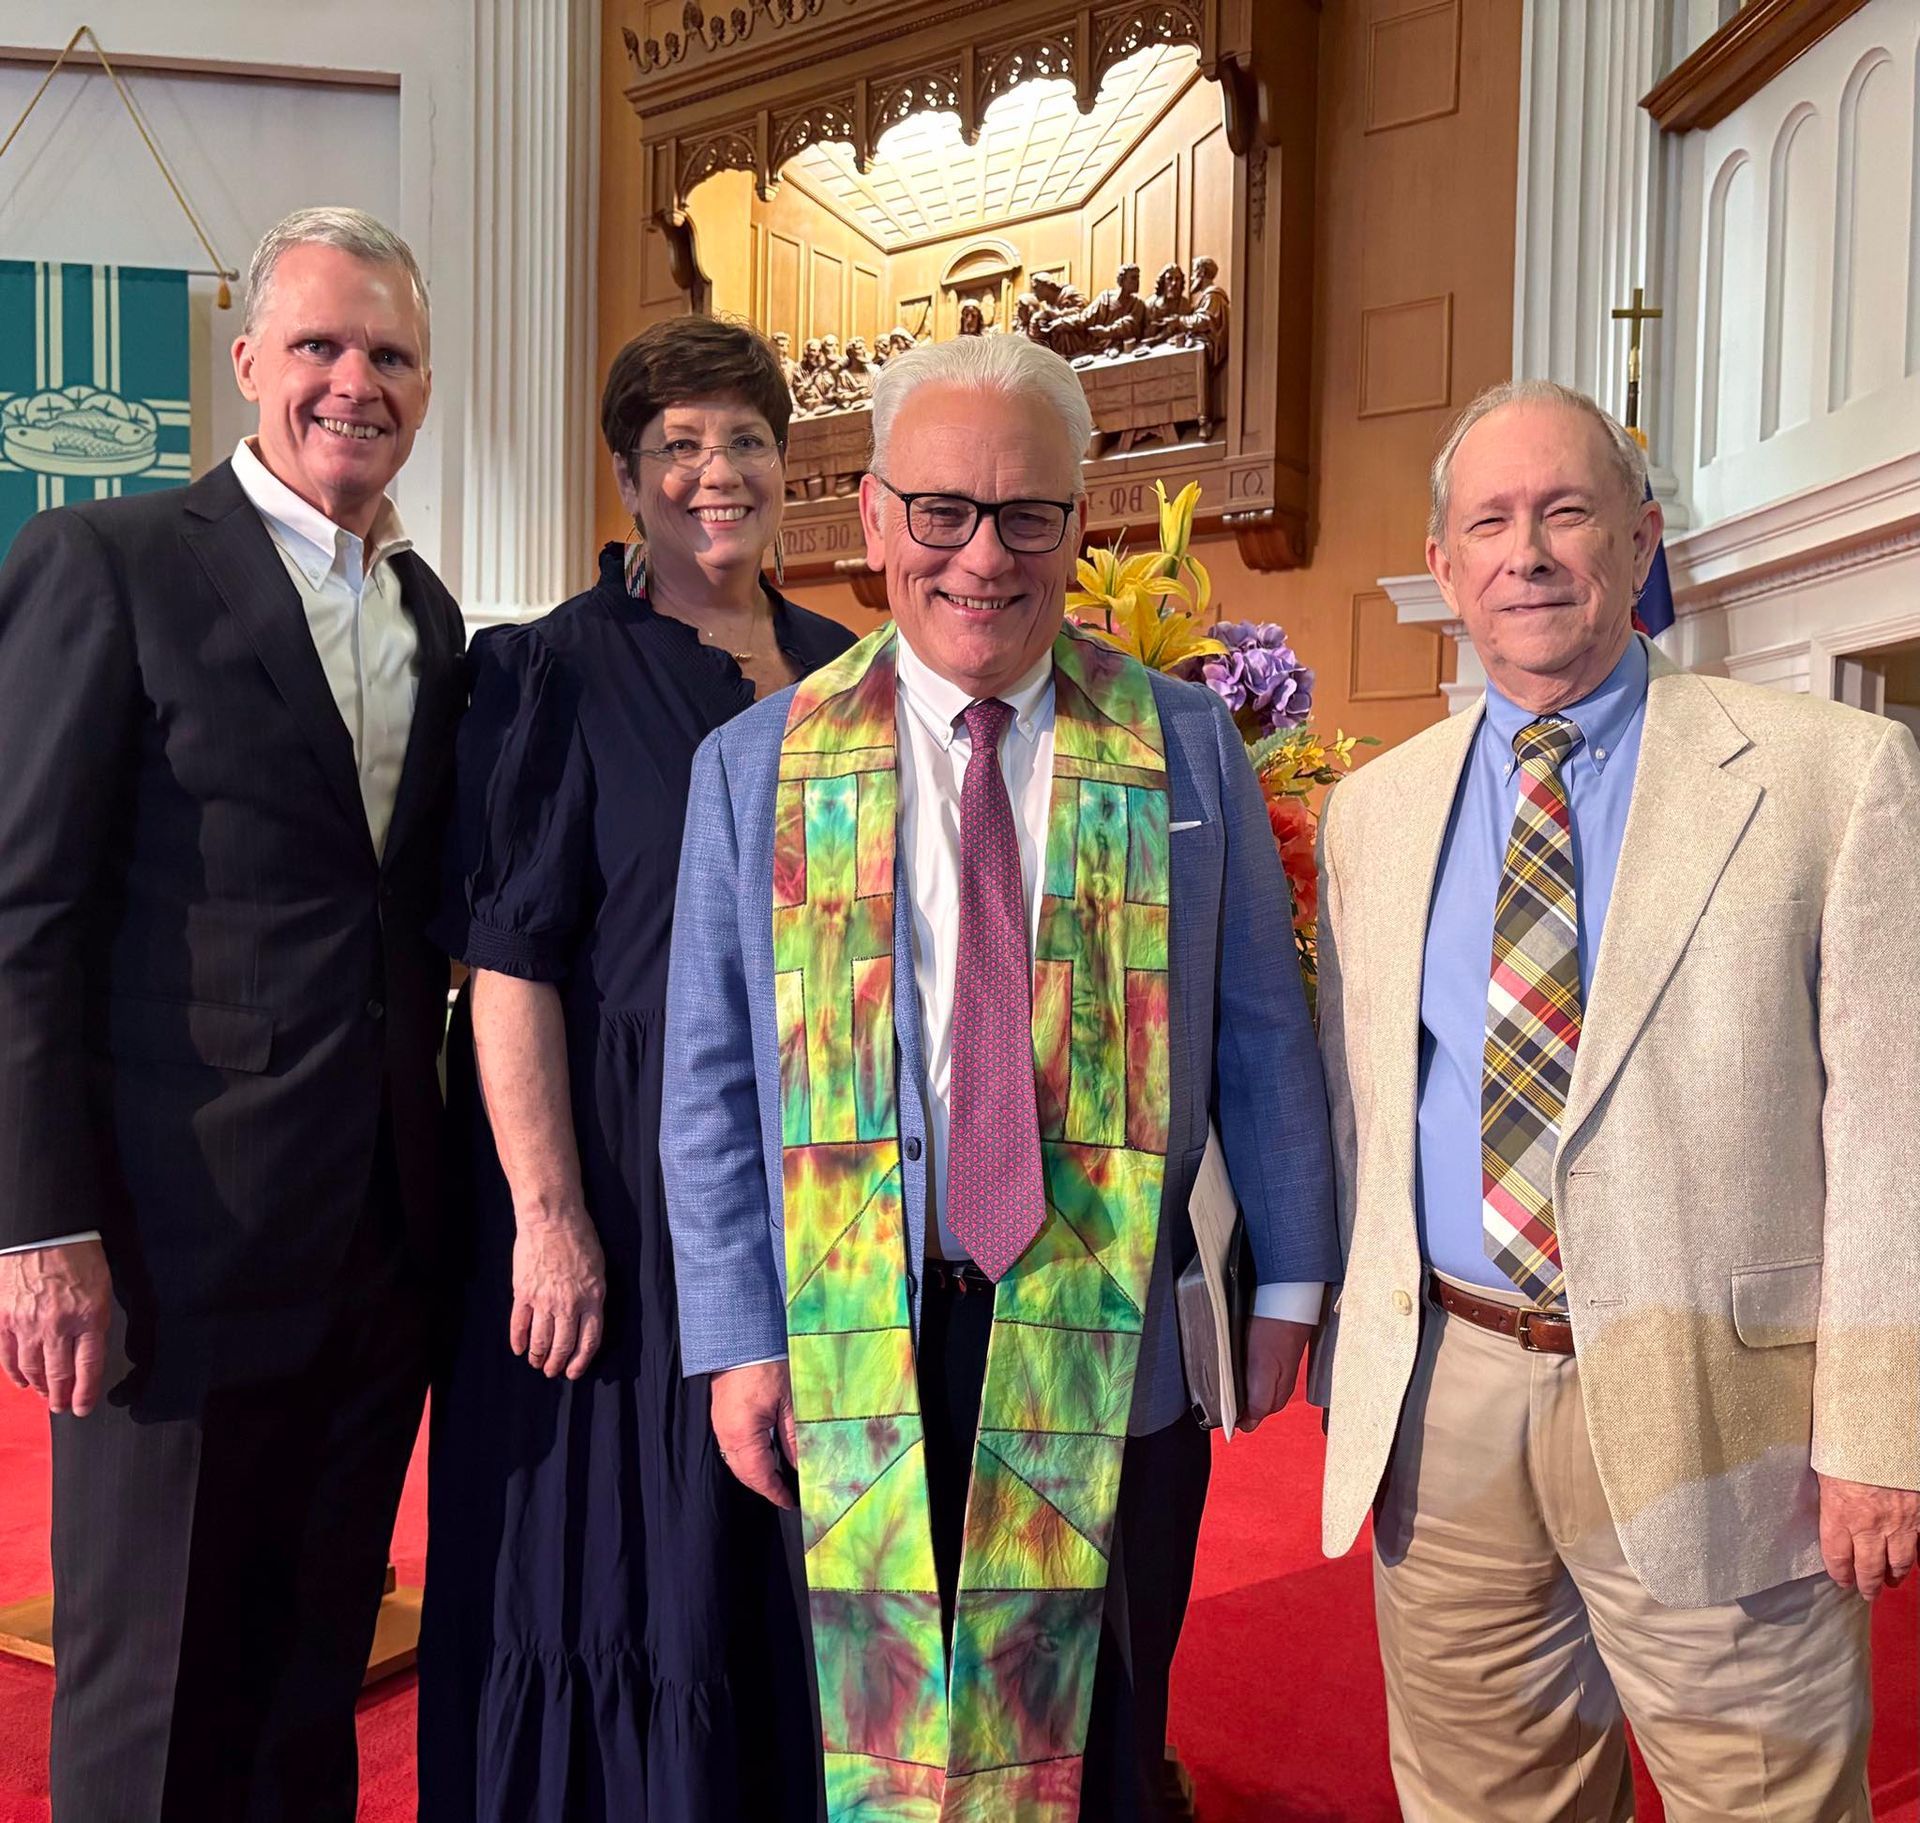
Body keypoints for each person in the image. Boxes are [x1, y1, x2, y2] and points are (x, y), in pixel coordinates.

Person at [661, 331, 1338, 1820]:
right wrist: (735, 1337)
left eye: (1028, 514)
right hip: (860, 1324)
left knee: (1103, 1725)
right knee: (871, 1718)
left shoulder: (1180, 747)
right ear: (879, 519)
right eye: (945, 513)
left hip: (1109, 1327)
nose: (984, 556)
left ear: (1079, 527)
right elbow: (711, 1080)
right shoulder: (762, 763)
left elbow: (1259, 1030)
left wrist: (1289, 1282)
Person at [1313, 379, 1920, 1821]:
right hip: (1446, 1395)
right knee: (1484, 1803)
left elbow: (1896, 1128)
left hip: (1720, 1392)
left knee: (1759, 1802)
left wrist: (1882, 1432)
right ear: (1447, 565)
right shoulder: (1373, 811)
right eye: (1491, 522)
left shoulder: (1831, 774)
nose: (1527, 552)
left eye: (1567, 512)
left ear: (1641, 544)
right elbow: (1365, 1115)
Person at [0, 205, 462, 1821]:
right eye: (322, 345)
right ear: (248, 359)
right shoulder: (110, 565)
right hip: (167, 1247)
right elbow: (23, 919)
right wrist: (37, 1224)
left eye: (391, 352)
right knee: (153, 1694)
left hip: (374, 1247)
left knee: (305, 1667)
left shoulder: (429, 617)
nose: (357, 380)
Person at [418, 314, 849, 1823]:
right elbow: (510, 963)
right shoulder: (550, 671)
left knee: (776, 1543)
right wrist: (547, 1214)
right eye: (678, 446)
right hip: (610, 1173)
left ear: (790, 467)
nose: (714, 473)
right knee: (613, 1555)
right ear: (626, 477)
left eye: (744, 441)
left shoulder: (849, 674)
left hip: (813, 1182)